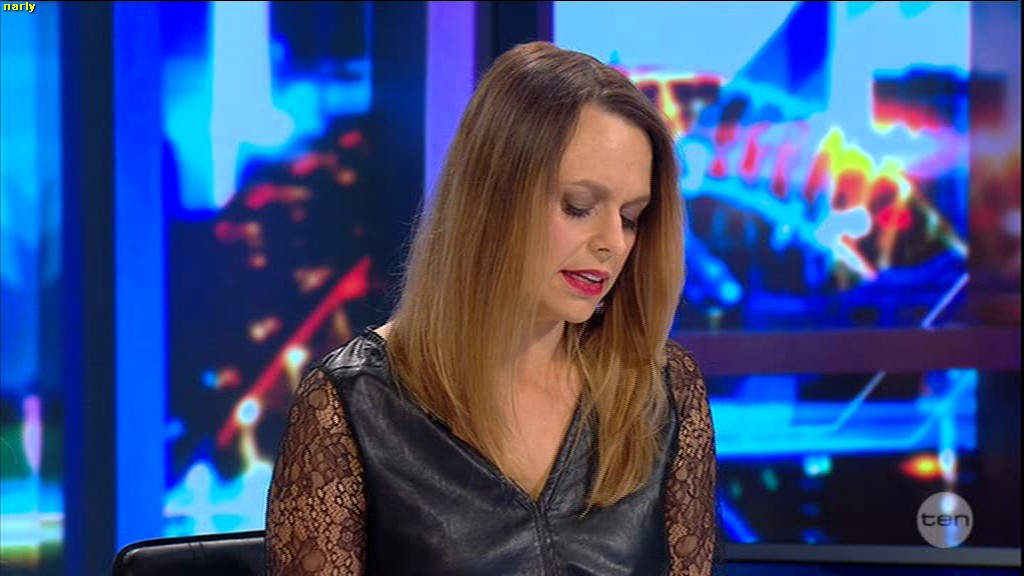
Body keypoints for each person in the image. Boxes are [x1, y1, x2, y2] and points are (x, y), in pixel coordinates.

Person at [265, 41, 719, 575]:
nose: (612, 243)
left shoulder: (663, 390)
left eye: (630, 217)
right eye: (578, 206)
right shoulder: (351, 403)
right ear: (492, 198)